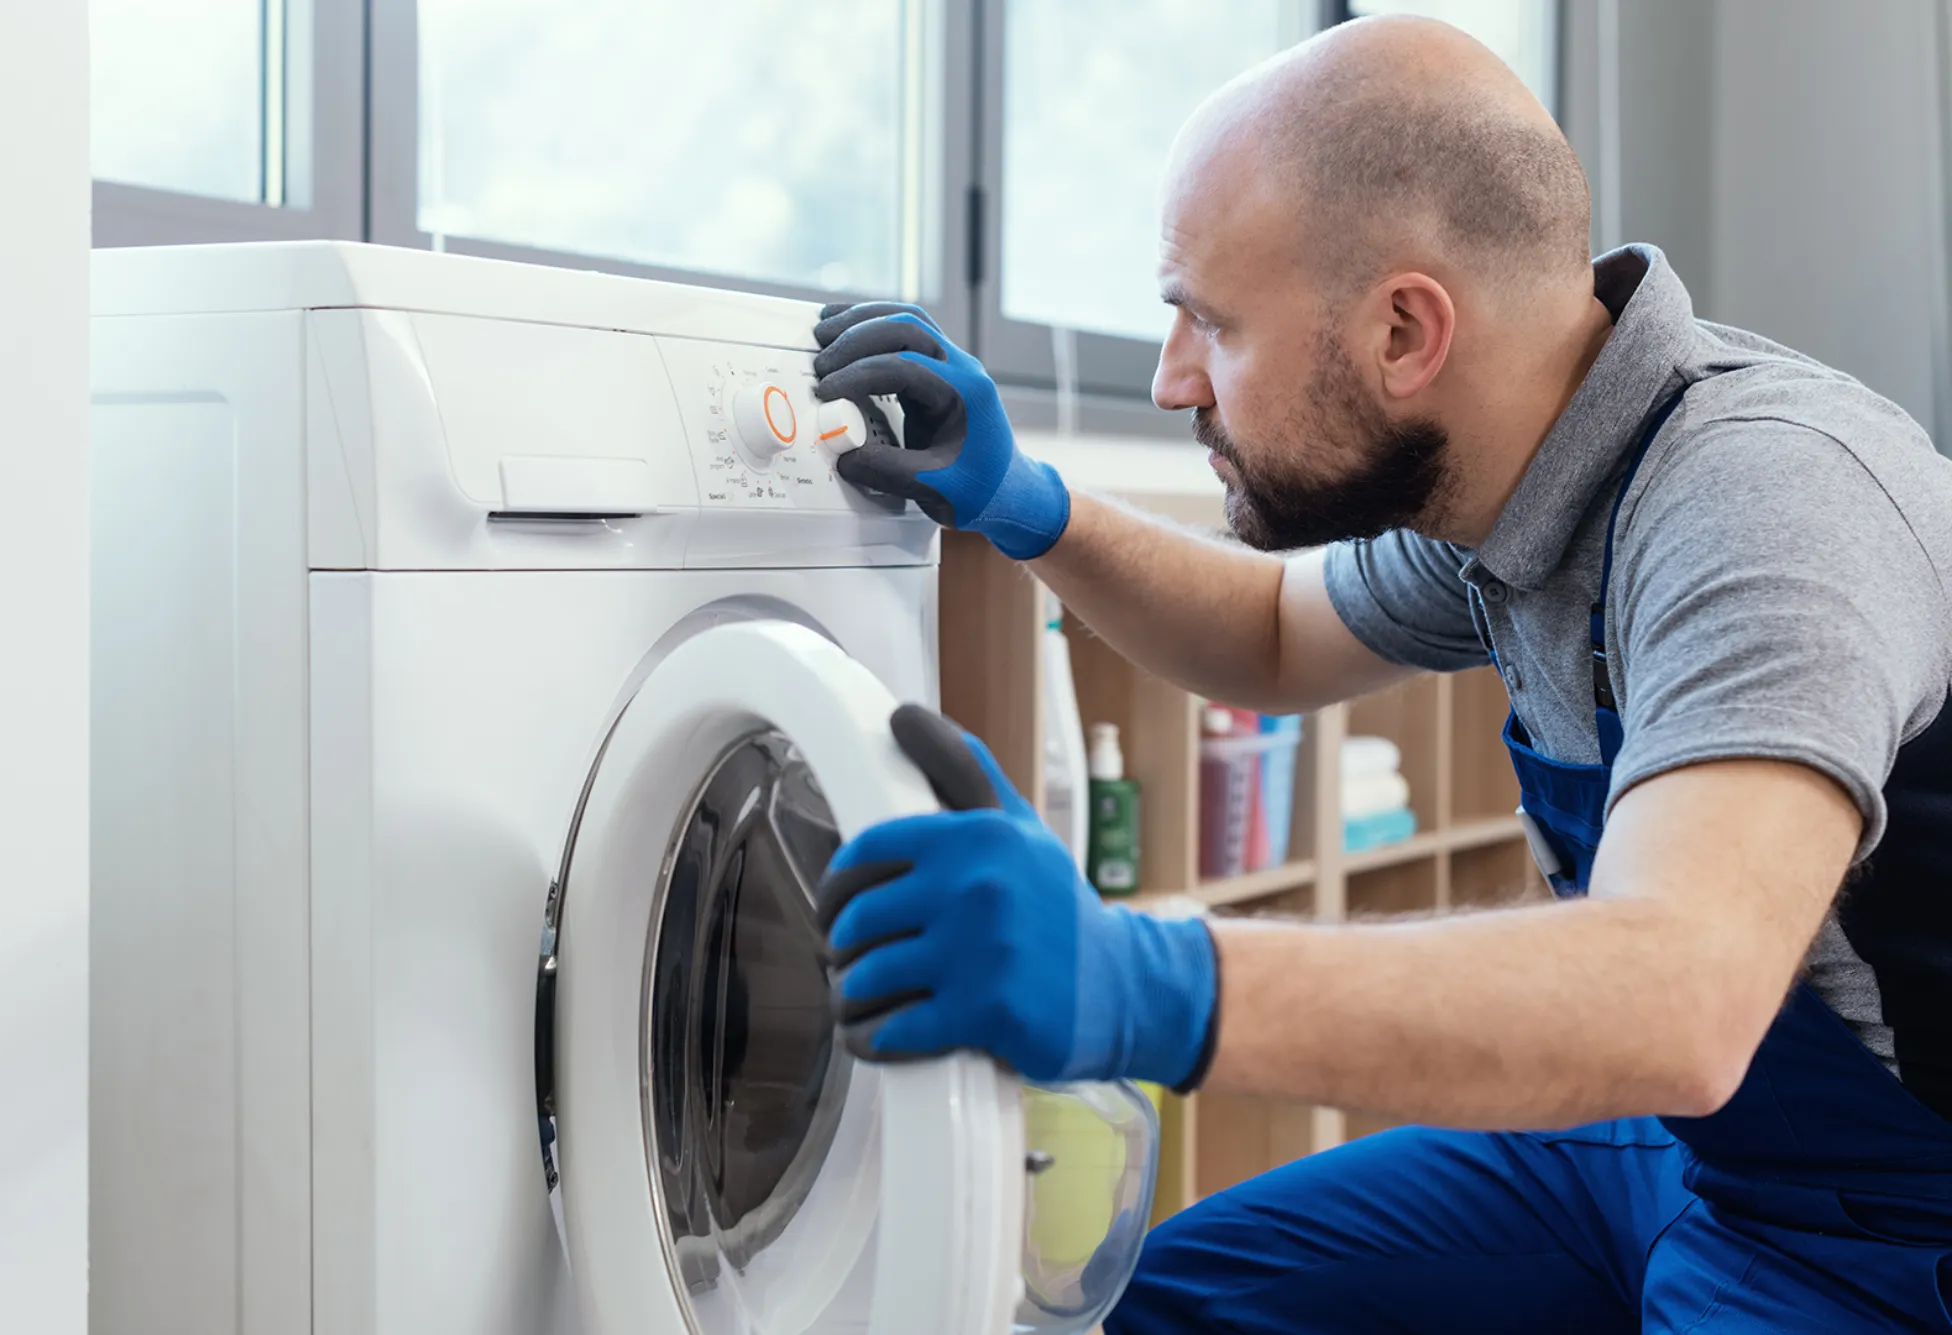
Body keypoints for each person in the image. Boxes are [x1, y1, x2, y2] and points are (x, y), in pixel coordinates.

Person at [810, 15, 1952, 1333]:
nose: (1175, 381)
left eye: (1209, 323)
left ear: (1408, 332)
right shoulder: (1523, 470)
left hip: (1887, 1222)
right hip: (1670, 1142)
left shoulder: (1766, 503)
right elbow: (1278, 634)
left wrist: (1142, 978)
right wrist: (1030, 506)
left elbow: (1679, 994)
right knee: (1165, 1302)